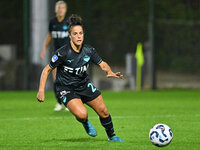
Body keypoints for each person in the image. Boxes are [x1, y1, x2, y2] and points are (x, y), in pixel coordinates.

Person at [37, 14, 124, 142]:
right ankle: (85, 122)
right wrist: (41, 90)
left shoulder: (89, 50)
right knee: (82, 114)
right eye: (75, 34)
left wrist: (110, 71)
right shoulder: (62, 53)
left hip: (84, 84)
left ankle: (112, 136)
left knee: (103, 111)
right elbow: (46, 70)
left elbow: (102, 63)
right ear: (70, 36)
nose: (78, 36)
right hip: (66, 87)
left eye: (81, 33)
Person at [40, 0, 69, 111]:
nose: (60, 9)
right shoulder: (52, 22)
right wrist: (44, 49)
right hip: (57, 54)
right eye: (59, 7)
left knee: (68, 78)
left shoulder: (69, 22)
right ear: (55, 9)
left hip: (68, 54)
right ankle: (59, 102)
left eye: (62, 7)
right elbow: (50, 36)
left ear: (65, 10)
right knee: (56, 79)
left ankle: (68, 102)